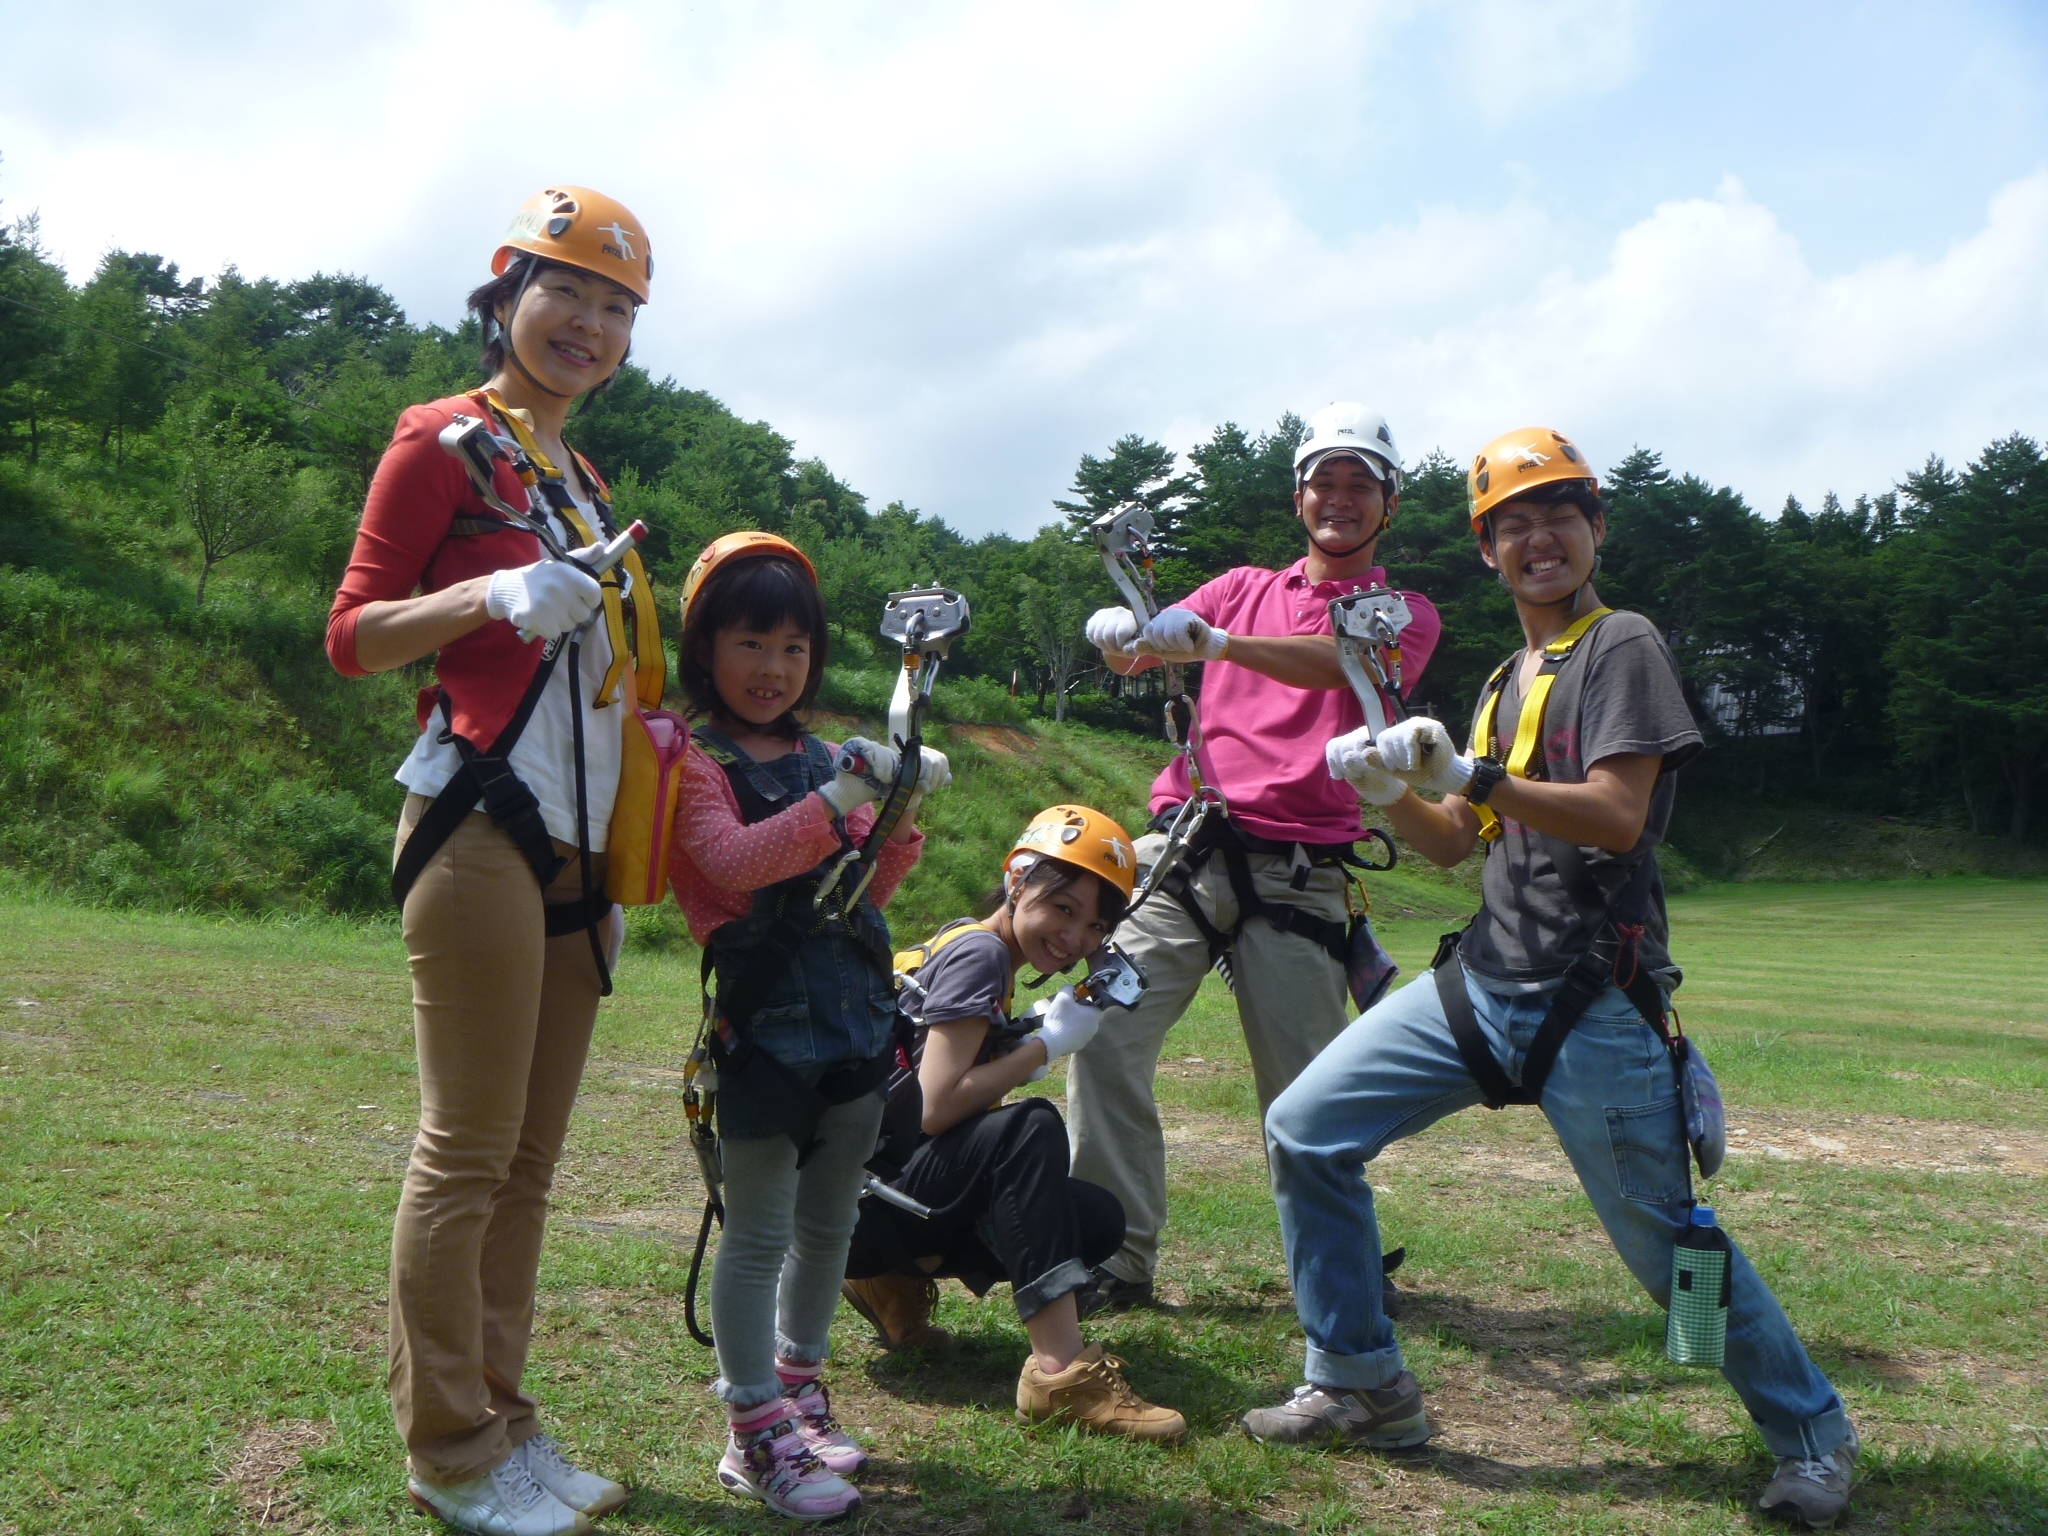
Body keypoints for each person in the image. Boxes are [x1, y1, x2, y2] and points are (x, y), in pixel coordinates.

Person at [1248, 428, 1859, 1529]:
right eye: (1512, 524)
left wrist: (1472, 772)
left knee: (1669, 1245)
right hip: (1483, 981)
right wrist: (1386, 786)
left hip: (1594, 999)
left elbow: (1617, 816)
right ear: (1484, 550)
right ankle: (1357, 1378)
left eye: (1558, 515)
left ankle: (1808, 1431)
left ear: (1595, 530)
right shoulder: (1498, 679)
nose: (1538, 539)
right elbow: (1450, 845)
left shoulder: (1618, 643)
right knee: (1304, 1129)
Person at [326, 186, 661, 1536]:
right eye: (567, 289)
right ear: (505, 289)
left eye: (617, 305)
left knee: (529, 1163)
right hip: (474, 823)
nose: (588, 322)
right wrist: (487, 597)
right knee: (466, 1151)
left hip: (579, 852)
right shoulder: (441, 446)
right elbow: (352, 635)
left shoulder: (580, 483)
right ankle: (449, 1450)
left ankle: (506, 1426)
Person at [1071, 402, 1440, 1311]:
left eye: (1361, 485)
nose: (1340, 500)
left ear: (1388, 504)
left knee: (1310, 1095)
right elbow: (1150, 650)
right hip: (1190, 849)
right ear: (1298, 495)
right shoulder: (1239, 584)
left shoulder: (1402, 612)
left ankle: (1340, 1266)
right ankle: (1113, 1258)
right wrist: (1119, 629)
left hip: (1301, 869)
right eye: (1325, 481)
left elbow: (1337, 666)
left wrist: (1222, 646)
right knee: (1102, 1035)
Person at [667, 532, 950, 1523]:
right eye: (750, 644)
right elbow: (731, 864)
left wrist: (899, 815)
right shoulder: (691, 762)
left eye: (792, 649)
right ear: (706, 649)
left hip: (856, 1024)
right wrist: (844, 799)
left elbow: (870, 891)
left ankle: (797, 1388)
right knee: (756, 1235)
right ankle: (752, 1433)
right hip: (761, 1035)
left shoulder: (834, 756)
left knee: (828, 1224)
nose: (771, 668)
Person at [842, 806, 1187, 1442]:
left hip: (861, 1192)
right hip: (855, 1205)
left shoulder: (970, 943)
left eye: (1094, 927)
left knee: (1096, 1218)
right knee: (1029, 1128)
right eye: (1064, 908)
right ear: (1019, 880)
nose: (1075, 938)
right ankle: (1059, 1374)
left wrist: (1019, 1040)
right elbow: (937, 1106)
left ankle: (887, 1276)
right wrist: (1044, 1050)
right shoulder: (980, 955)